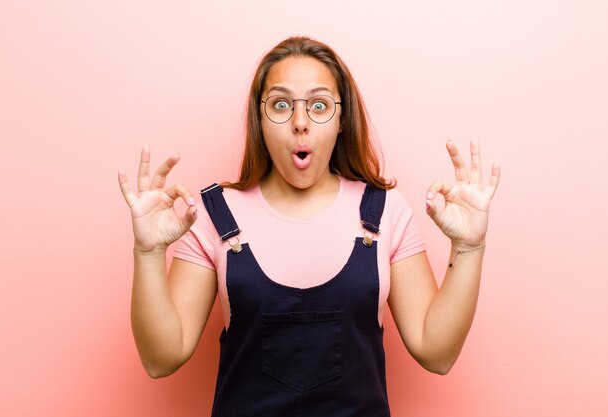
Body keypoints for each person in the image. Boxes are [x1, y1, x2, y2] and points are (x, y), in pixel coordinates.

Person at [117, 36, 500, 417]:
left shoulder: (384, 211)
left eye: (319, 105)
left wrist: (469, 248)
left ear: (341, 119)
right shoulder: (211, 215)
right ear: (259, 118)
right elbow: (160, 359)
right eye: (281, 105)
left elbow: (437, 353)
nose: (300, 123)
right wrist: (148, 252)